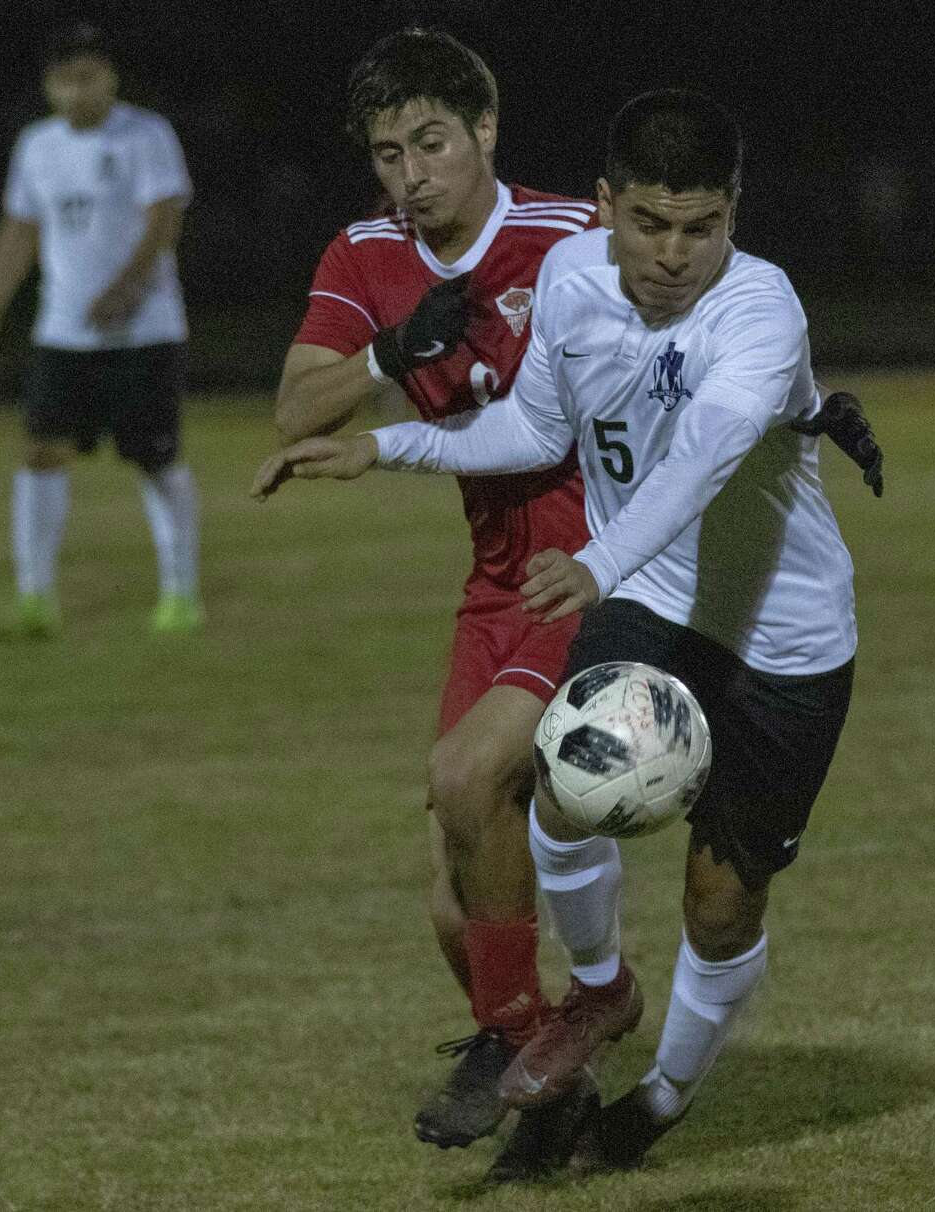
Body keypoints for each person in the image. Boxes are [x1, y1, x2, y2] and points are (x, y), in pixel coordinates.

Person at [254, 87, 877, 1175]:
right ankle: (593, 998)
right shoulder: (571, 281)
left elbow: (703, 461)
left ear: (733, 213)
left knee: (722, 908)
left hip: (786, 640)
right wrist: (390, 447)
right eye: (649, 223)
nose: (676, 253)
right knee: (561, 781)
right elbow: (535, 424)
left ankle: (663, 1099)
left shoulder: (762, 308)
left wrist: (594, 561)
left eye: (703, 227)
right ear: (604, 207)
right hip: (657, 601)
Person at [267, 28, 599, 1179]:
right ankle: (552, 1085)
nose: (411, 174)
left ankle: (518, 1047)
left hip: (592, 568)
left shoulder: (569, 239)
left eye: (433, 143)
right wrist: (388, 353)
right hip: (493, 581)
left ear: (487, 132)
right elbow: (293, 411)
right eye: (387, 151)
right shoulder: (367, 252)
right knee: (455, 913)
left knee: (466, 779)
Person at [0, 22, 201, 637]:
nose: (76, 91)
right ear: (48, 85)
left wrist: (125, 289)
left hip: (145, 332)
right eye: (65, 79)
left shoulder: (146, 134)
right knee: (41, 451)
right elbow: (19, 233)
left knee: (154, 459)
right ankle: (35, 599)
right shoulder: (36, 146)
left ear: (111, 77)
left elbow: (164, 216)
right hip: (63, 334)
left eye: (88, 76)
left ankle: (180, 595)